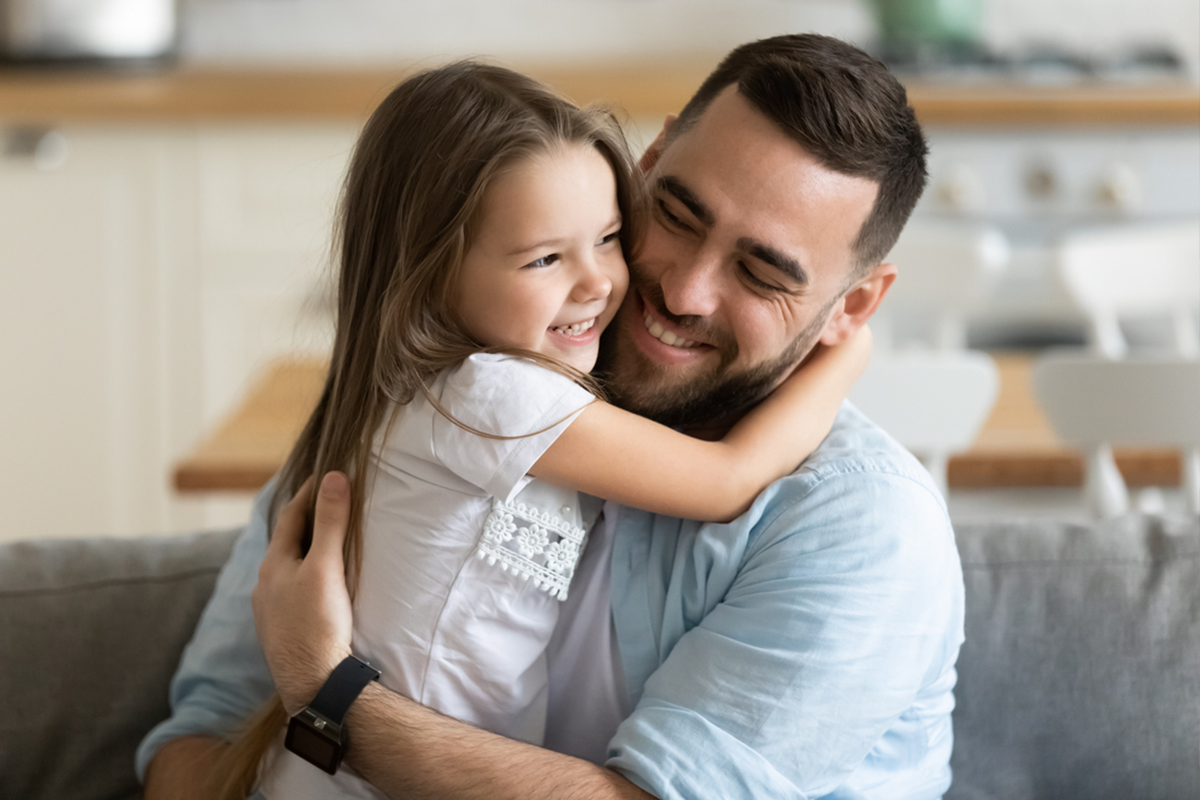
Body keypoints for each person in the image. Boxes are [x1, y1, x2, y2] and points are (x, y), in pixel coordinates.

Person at [139, 33, 965, 800]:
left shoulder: (860, 523)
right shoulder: (424, 393)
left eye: (760, 273)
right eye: (675, 215)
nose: (681, 292)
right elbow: (203, 741)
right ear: (645, 162)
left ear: (855, 304)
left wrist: (324, 690)